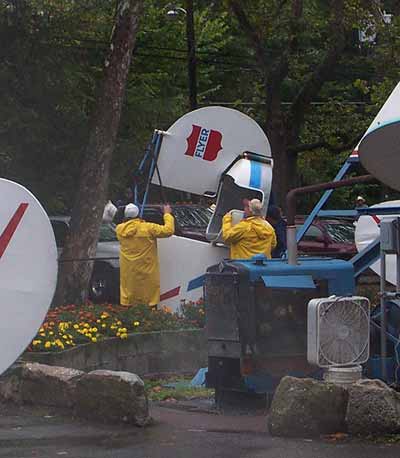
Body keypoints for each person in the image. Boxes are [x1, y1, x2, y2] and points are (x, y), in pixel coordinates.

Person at [116, 203, 175, 307]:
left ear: (125, 216)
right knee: (149, 297)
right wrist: (167, 214)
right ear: (138, 214)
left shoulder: (120, 229)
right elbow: (169, 230)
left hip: (129, 271)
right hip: (147, 271)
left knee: (130, 296)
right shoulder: (148, 228)